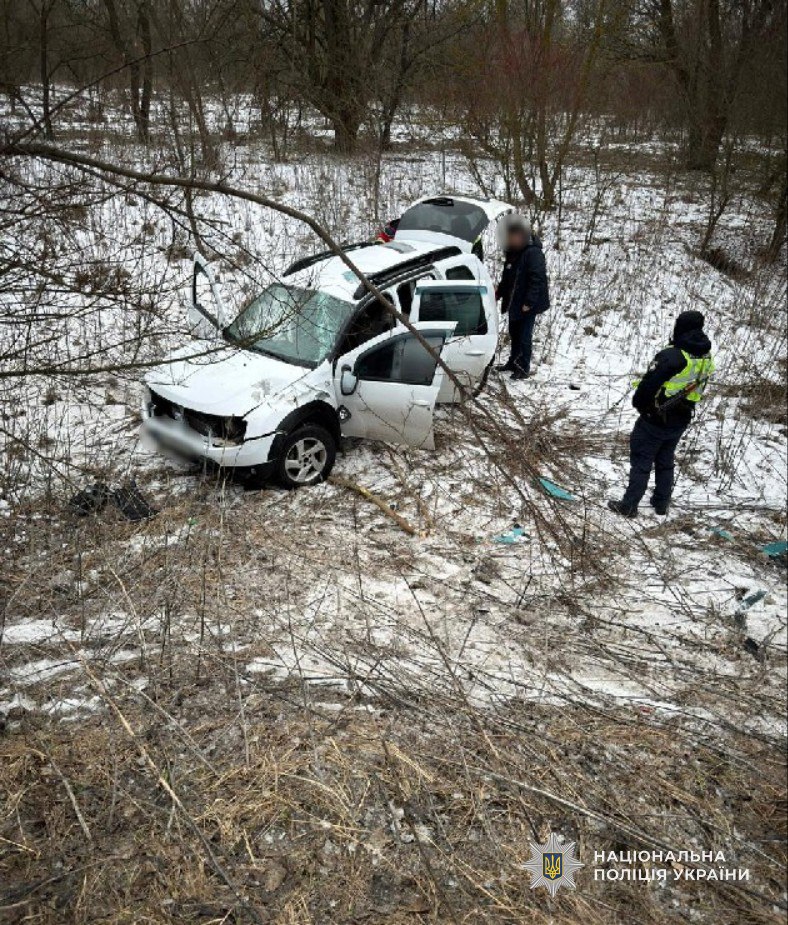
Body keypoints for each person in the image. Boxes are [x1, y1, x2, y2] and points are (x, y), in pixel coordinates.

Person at [608, 310, 715, 518]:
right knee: (665, 460)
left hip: (656, 418)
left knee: (641, 460)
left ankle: (629, 505)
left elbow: (649, 385)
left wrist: (641, 406)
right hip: (682, 417)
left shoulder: (672, 355)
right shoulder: (705, 355)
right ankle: (661, 502)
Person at [495, 217, 550, 380]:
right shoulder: (512, 252)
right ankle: (513, 362)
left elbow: (537, 279)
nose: (511, 239)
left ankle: (524, 367)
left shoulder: (533, 253)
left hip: (527, 303)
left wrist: (529, 302)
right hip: (514, 300)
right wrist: (499, 293)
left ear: (522, 235)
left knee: (524, 336)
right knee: (514, 333)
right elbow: (507, 277)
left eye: (514, 236)